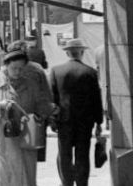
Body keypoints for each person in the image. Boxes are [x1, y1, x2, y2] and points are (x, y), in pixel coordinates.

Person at [0, 49, 54, 185]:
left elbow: (41, 105)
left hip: (24, 139)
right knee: (1, 177)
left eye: (21, 69)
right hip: (0, 139)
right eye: (14, 68)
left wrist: (44, 112)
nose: (18, 72)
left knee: (24, 178)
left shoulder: (31, 84)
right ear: (6, 65)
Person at [49, 39, 102, 186]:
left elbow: (52, 97)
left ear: (66, 53)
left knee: (64, 154)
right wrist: (99, 122)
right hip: (85, 121)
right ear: (82, 52)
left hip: (64, 120)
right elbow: (96, 99)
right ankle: (81, 183)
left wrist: (52, 118)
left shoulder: (56, 71)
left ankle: (66, 182)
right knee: (82, 154)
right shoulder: (90, 72)